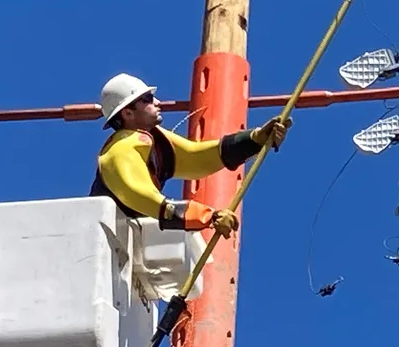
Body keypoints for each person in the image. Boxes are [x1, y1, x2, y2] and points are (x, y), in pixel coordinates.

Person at [89, 73, 291, 236]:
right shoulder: (122, 148)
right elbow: (142, 195)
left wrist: (255, 139)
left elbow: (197, 158)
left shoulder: (154, 140)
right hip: (103, 243)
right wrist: (208, 217)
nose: (157, 102)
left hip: (122, 243)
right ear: (128, 113)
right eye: (148, 99)